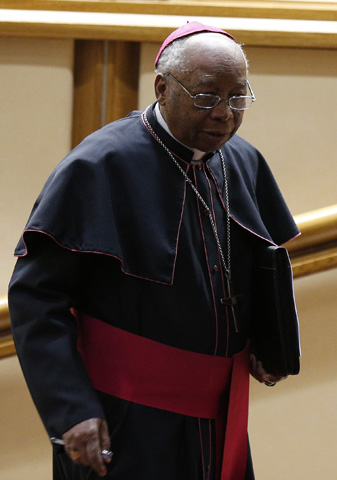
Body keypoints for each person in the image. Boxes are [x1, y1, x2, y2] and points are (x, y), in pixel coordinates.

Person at [8, 22, 300, 480]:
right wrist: (71, 410)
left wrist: (268, 345)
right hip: (125, 418)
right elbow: (35, 299)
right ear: (163, 88)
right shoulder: (100, 165)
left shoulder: (241, 160)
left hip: (219, 417)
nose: (224, 113)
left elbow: (256, 265)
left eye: (238, 97)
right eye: (206, 96)